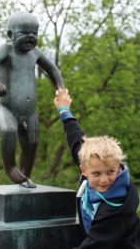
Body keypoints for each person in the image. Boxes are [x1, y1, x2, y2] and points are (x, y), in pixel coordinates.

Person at [0, 11, 63, 187]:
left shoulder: (35, 53)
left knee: (32, 142)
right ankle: (10, 167)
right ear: (11, 34)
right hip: (7, 108)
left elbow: (53, 70)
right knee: (8, 131)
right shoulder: (6, 50)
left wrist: (60, 88)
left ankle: (24, 175)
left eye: (34, 33)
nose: (30, 37)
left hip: (30, 111)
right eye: (25, 32)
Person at [54, 88, 140, 249]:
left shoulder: (115, 207)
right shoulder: (89, 162)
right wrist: (64, 111)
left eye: (110, 172)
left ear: (118, 168)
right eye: (96, 173)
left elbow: (95, 244)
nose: (104, 179)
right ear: (83, 170)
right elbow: (76, 140)